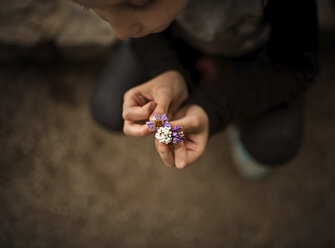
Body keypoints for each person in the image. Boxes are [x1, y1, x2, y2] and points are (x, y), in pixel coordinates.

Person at [73, 0, 319, 176]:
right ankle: (192, 82)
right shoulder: (136, 24)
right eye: (96, 11)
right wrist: (166, 72)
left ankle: (233, 111)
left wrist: (214, 108)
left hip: (260, 58)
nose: (121, 32)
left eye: (137, 4)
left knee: (274, 143)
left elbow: (297, 65)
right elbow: (142, 37)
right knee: (107, 106)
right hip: (171, 46)